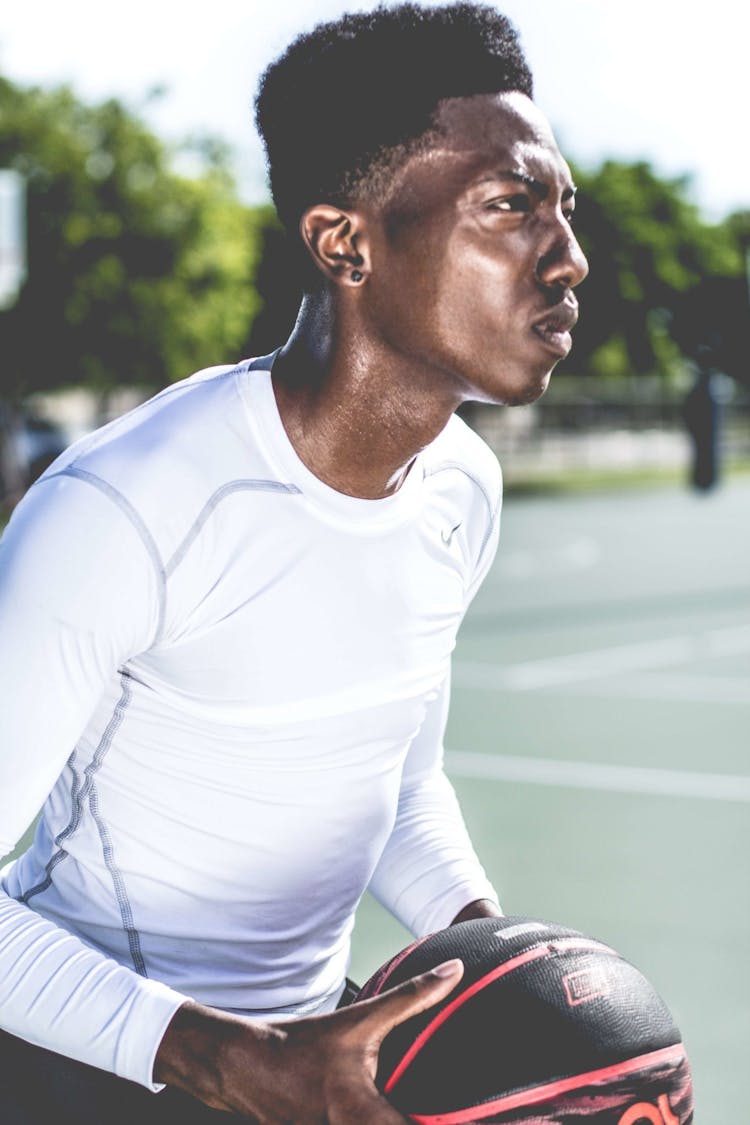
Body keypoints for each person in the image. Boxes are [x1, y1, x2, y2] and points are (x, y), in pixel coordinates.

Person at [0, 4, 587, 1122]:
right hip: (88, 1068)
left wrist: (500, 963)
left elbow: (399, 783)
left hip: (311, 1061)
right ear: (344, 243)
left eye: (566, 208)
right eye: (511, 206)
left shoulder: (462, 487)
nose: (568, 257)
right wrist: (225, 1059)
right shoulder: (126, 510)